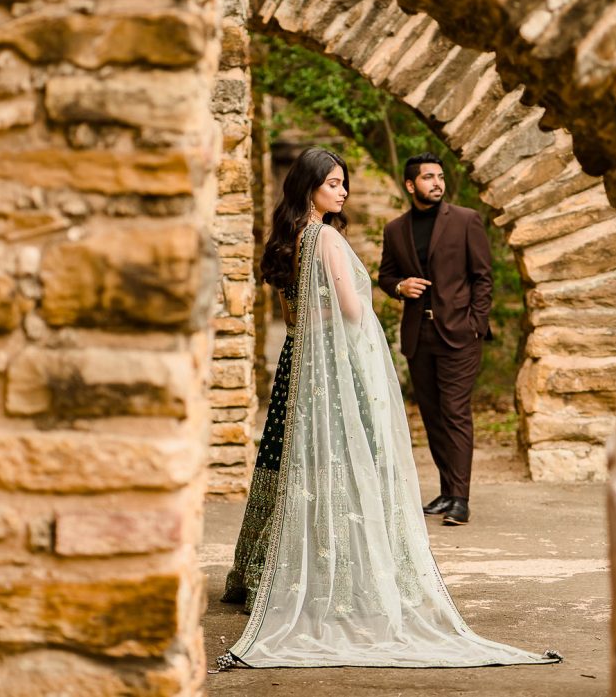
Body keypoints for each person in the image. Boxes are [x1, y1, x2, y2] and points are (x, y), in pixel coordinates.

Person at [216, 146, 558, 671]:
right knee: (348, 457)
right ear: (309, 187)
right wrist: (365, 302)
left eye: (344, 182)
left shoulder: (289, 240)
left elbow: (292, 312)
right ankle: (342, 571)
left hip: (297, 358)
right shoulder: (327, 238)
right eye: (333, 183)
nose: (343, 191)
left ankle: (262, 568)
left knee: (288, 461)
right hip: (330, 363)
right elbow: (352, 310)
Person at [378, 153, 492, 527]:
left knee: (455, 411)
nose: (437, 183)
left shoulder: (465, 220)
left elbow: (482, 277)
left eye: (440, 177)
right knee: (433, 416)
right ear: (411, 185)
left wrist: (475, 323)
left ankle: (461, 498)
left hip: (459, 333)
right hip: (418, 334)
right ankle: (447, 490)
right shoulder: (395, 229)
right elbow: (385, 275)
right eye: (428, 177)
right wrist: (399, 286)